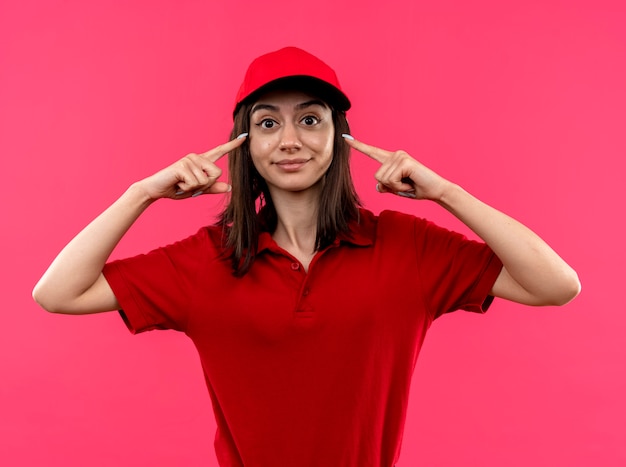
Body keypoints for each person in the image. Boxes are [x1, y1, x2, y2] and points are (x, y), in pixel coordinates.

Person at [32, 46, 581, 467]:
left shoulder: (407, 246)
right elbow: (58, 293)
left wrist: (446, 193)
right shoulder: (208, 260)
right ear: (243, 142)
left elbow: (555, 285)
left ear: (340, 137)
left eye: (311, 119)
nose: (290, 140)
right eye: (268, 123)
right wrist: (141, 194)